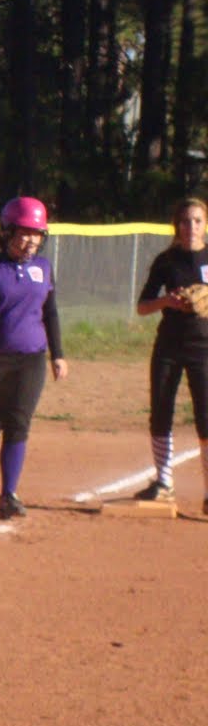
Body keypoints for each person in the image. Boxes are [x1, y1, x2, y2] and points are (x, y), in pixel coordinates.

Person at [0, 196, 69, 518]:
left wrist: (57, 355)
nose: (31, 239)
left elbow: (51, 313)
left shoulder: (43, 269)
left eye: (37, 233)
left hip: (30, 360)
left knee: (19, 424)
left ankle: (9, 495)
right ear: (6, 232)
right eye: (24, 231)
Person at [133, 196, 208, 512]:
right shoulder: (167, 261)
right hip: (169, 347)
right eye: (185, 221)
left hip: (204, 348)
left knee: (206, 418)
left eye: (197, 220)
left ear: (205, 224)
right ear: (176, 226)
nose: (190, 227)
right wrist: (167, 302)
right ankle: (163, 482)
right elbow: (142, 306)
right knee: (161, 412)